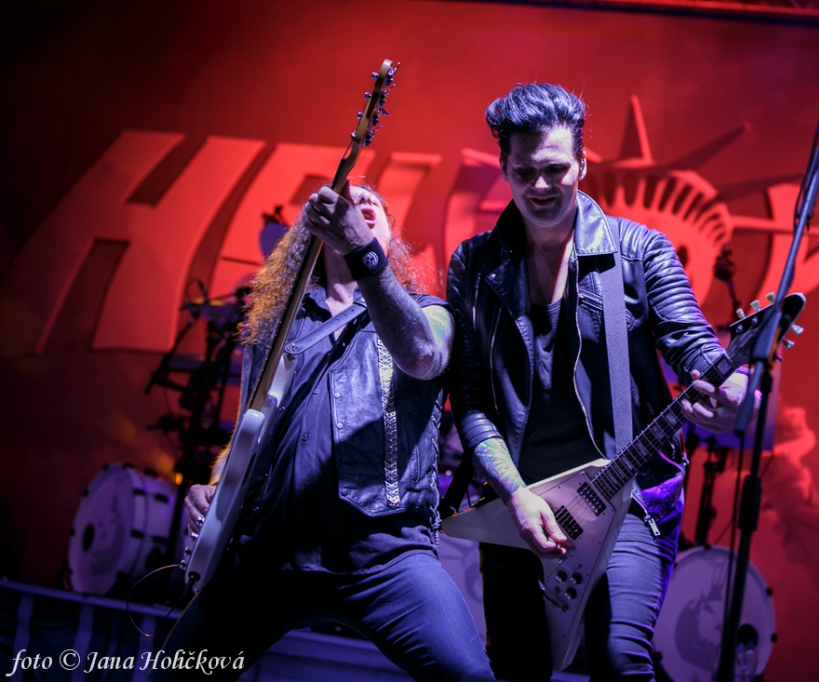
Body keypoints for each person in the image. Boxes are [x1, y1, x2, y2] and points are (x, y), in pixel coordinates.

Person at [445, 83, 753, 680]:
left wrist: (737, 389)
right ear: (504, 170)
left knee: (618, 659)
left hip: (630, 495)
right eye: (524, 171)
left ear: (583, 164)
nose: (540, 185)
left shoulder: (640, 251)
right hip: (519, 507)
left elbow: (693, 345)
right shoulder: (475, 264)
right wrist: (514, 492)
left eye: (556, 169)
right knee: (515, 669)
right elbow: (472, 398)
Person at [154, 182, 493, 681]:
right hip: (270, 552)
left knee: (469, 677)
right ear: (312, 231)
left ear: (388, 235)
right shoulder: (277, 327)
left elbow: (423, 355)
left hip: (385, 555)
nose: (361, 204)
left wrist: (360, 251)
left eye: (373, 204)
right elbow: (249, 433)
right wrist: (215, 486)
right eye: (349, 200)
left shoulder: (429, 312)